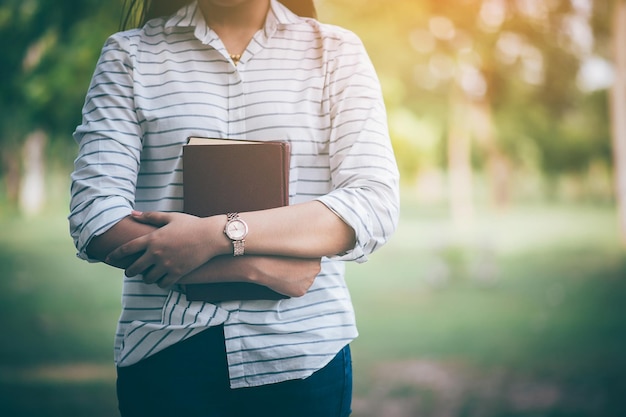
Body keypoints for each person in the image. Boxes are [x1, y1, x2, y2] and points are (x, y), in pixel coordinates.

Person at [68, 0, 399, 416]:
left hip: (304, 357)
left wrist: (213, 236)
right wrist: (254, 267)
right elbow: (95, 218)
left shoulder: (335, 52)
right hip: (166, 355)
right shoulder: (130, 55)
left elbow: (373, 203)